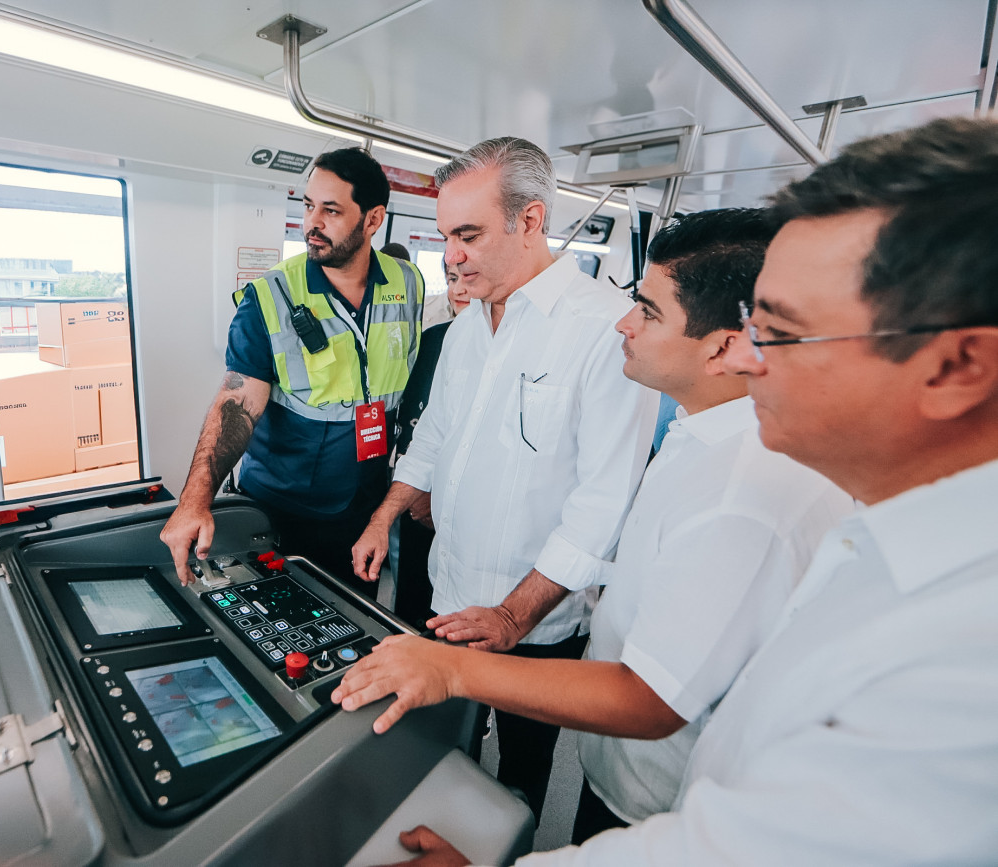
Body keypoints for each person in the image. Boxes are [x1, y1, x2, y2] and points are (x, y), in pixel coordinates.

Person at [359, 116, 998, 866]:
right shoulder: (825, 508)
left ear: (956, 367)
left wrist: (470, 657)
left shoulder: (946, 644)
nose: (743, 359)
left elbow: (744, 840)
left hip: (619, 746)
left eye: (781, 332)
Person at [332, 205, 854, 842]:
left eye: (649, 312)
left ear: (723, 347)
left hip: (663, 803)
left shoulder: (743, 492)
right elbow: (439, 435)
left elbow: (651, 698)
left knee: (521, 788)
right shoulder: (702, 439)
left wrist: (456, 666)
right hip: (615, 757)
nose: (625, 323)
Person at [350, 137, 659, 823]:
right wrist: (384, 516)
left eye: (468, 236)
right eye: (444, 237)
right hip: (449, 597)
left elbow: (604, 502)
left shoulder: (602, 330)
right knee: (443, 751)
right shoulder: (466, 329)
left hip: (536, 624)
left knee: (518, 780)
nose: (450, 257)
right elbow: (433, 436)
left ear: (530, 220)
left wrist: (515, 616)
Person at [160, 147, 424, 598]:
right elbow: (237, 402)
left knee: (351, 618)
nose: (312, 223)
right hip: (283, 508)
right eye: (307, 205)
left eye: (331, 210)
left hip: (364, 504)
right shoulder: (269, 296)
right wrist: (195, 501)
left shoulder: (408, 282)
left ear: (373, 219)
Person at [391, 261, 471, 628]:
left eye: (468, 279)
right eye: (452, 279)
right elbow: (414, 420)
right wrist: (416, 491)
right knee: (412, 607)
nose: (458, 290)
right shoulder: (432, 340)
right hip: (416, 498)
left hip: (463, 511)